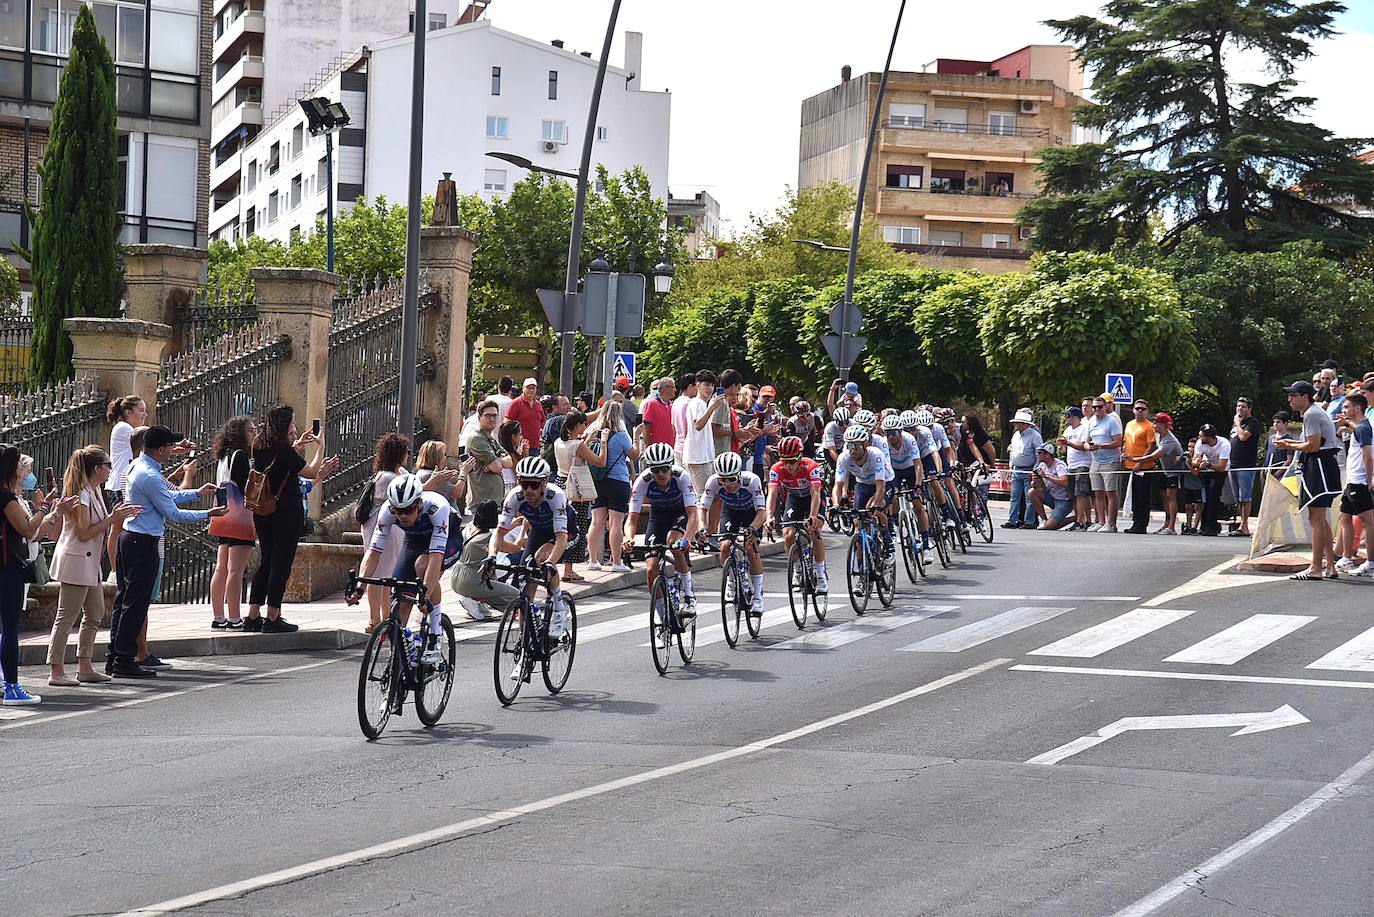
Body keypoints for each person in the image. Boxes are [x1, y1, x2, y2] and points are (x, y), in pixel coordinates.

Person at [108, 427, 225, 677]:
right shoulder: (149, 474)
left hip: (130, 539)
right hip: (142, 542)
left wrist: (197, 493)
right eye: (170, 447)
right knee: (135, 604)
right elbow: (172, 513)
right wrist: (208, 513)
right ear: (160, 450)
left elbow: (165, 496)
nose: (173, 451)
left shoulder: (138, 466)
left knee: (124, 601)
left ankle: (115, 657)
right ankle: (123, 660)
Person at [46, 447, 139, 687]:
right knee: (66, 617)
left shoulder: (94, 490)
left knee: (95, 613)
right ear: (97, 469)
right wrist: (113, 519)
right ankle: (56, 671)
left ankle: (84, 667)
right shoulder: (81, 493)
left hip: (89, 563)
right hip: (77, 561)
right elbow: (85, 532)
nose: (110, 469)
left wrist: (113, 517)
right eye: (108, 465)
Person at [347, 474, 463, 663]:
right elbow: (373, 552)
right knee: (401, 600)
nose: (403, 515)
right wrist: (359, 587)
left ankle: (435, 633)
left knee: (423, 566)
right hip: (415, 540)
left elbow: (435, 558)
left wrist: (426, 593)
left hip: (448, 537)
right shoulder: (387, 511)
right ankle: (398, 662)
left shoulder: (437, 507)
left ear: (418, 504)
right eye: (398, 511)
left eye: (408, 510)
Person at [247, 406, 338, 634]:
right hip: (286, 513)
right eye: (292, 424)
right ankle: (273, 616)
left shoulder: (259, 444)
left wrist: (296, 445)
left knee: (266, 561)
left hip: (263, 511)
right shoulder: (284, 451)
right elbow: (310, 471)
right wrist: (320, 447)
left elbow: (277, 464)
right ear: (284, 426)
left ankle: (253, 615)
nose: (295, 428)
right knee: (281, 564)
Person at [0, 446, 78, 702]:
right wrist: (44, 508)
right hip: (7, 569)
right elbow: (27, 529)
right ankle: (11, 686)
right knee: (10, 630)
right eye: (20, 467)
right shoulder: (5, 498)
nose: (23, 472)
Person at [492, 456, 574, 637]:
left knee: (542, 559)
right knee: (524, 586)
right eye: (524, 483)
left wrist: (551, 563)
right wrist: (491, 556)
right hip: (538, 531)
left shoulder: (556, 496)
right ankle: (525, 640)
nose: (528, 489)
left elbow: (561, 538)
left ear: (544, 483)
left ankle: (559, 608)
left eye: (534, 485)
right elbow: (498, 532)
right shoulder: (515, 496)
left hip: (563, 532)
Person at [1274, 380, 1342, 580]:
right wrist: (1290, 442)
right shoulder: (1314, 413)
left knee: (1316, 518)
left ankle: (1315, 567)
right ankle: (1329, 565)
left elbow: (1312, 447)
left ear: (1305, 396)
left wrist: (1291, 446)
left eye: (1293, 395)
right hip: (1323, 466)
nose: (1289, 399)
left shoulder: (1311, 414)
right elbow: (1313, 442)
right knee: (1321, 518)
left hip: (1319, 467)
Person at [625, 442, 699, 614]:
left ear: (671, 465)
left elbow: (693, 514)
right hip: (658, 517)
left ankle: (688, 596)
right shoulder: (642, 481)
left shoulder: (682, 477)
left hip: (680, 514)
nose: (661, 473)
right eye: (655, 469)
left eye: (664, 468)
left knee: (674, 542)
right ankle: (661, 617)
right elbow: (632, 518)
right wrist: (628, 538)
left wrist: (687, 538)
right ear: (650, 469)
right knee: (651, 570)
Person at [700, 450, 768, 616]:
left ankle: (758, 597)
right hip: (730, 512)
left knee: (751, 547)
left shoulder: (751, 480)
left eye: (731, 479)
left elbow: (762, 513)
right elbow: (701, 509)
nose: (727, 484)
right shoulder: (713, 482)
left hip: (753, 513)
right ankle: (731, 581)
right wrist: (701, 528)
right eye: (723, 479)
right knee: (724, 546)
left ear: (738, 474)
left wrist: (752, 528)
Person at [359, 433, 411, 633]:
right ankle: (374, 620)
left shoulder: (396, 473)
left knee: (386, 574)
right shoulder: (387, 478)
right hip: (379, 528)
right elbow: (409, 494)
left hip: (388, 528)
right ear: (398, 454)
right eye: (406, 451)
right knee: (377, 574)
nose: (408, 454)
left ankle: (387, 617)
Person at [208, 417, 256, 630]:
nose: (254, 434)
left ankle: (218, 616)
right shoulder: (240, 456)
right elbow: (247, 486)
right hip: (239, 516)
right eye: (251, 430)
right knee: (236, 569)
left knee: (221, 568)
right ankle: (235, 618)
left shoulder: (223, 457)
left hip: (223, 513)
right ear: (240, 434)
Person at [765, 435, 828, 593]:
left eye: (792, 461)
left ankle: (821, 576)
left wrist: (813, 515)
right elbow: (772, 494)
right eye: (784, 461)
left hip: (813, 498)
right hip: (794, 499)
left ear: (800, 457)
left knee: (815, 531)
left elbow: (815, 493)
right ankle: (797, 569)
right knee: (788, 535)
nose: (788, 465)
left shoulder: (810, 466)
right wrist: (769, 517)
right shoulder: (776, 469)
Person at [448, 500, 526, 620]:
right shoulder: (488, 539)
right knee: (515, 594)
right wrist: (523, 530)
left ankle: (477, 601)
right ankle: (474, 599)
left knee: (495, 585)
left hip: (456, 576)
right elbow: (515, 548)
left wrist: (513, 525)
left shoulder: (468, 527)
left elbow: (496, 535)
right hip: (472, 581)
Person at [585, 401, 637, 572]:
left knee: (596, 522)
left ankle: (593, 560)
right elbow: (634, 455)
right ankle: (616, 562)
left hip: (597, 481)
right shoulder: (621, 435)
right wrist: (636, 436)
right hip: (617, 481)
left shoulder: (594, 432)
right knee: (616, 523)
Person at [832, 424, 895, 562]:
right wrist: (835, 505)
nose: (852, 451)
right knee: (857, 523)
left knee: (873, 510)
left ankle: (888, 543)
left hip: (885, 483)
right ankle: (861, 572)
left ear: (865, 445)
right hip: (863, 485)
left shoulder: (875, 455)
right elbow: (838, 485)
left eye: (857, 446)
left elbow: (880, 485)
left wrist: (876, 504)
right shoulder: (844, 458)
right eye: (849, 446)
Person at [104, 395, 146, 577]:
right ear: (128, 412)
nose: (144, 414)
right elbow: (148, 442)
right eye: (141, 410)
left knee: (123, 526)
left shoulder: (128, 429)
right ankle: (114, 570)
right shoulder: (123, 428)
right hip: (118, 485)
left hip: (123, 483)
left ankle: (121, 567)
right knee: (118, 526)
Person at [1335, 392, 1374, 576]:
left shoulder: (1362, 428)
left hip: (1359, 481)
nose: (1344, 411)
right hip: (1353, 481)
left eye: (1346, 407)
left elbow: (1368, 457)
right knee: (1344, 517)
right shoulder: (1359, 427)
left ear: (1357, 408)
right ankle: (1346, 558)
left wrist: (1368, 481)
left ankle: (1371, 562)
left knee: (1368, 522)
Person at [1085, 395, 1124, 532]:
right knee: (1098, 493)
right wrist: (1088, 446)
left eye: (1099, 407)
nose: (1096, 409)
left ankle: (1111, 523)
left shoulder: (1112, 421)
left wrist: (1101, 445)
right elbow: (1087, 440)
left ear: (1105, 407)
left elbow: (1118, 442)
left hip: (1110, 461)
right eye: (1094, 407)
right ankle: (1100, 521)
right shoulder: (1090, 422)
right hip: (1095, 461)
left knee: (1111, 492)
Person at [1228, 396, 1264, 537]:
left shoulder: (1252, 423)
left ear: (1249, 409)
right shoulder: (1236, 424)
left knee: (1245, 497)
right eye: (1238, 406)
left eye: (1243, 407)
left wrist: (1237, 423)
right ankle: (1241, 525)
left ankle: (1245, 526)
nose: (1239, 409)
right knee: (1238, 498)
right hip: (1233, 464)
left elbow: (1243, 437)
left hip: (1246, 465)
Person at [684, 370, 723, 498]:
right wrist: (712, 408)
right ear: (698, 385)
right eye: (707, 384)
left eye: (712, 385)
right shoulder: (697, 403)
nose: (710, 388)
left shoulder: (702, 404)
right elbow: (698, 425)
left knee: (705, 496)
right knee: (703, 497)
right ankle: (702, 519)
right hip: (698, 458)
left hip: (702, 457)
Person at [465, 399, 510, 509]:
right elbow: (497, 468)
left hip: (494, 501)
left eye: (495, 415)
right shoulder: (476, 438)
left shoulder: (491, 437)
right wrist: (497, 462)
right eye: (488, 415)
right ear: (479, 418)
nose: (492, 419)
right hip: (481, 503)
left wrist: (496, 461)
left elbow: (509, 461)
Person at [1121, 399, 1158, 534]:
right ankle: (1135, 523)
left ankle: (1141, 525)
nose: (1140, 411)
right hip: (1129, 466)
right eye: (1137, 408)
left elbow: (1151, 447)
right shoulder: (1129, 424)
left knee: (1143, 497)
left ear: (1147, 411)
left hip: (1144, 467)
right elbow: (1126, 443)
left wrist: (1139, 462)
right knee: (1134, 496)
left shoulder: (1148, 426)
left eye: (1143, 409)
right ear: (1133, 410)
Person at [1144, 412, 1184, 534]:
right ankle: (1166, 523)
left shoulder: (1170, 440)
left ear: (1163, 425)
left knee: (1171, 496)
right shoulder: (1157, 435)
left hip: (1175, 471)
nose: (1153, 425)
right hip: (1165, 470)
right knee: (1164, 495)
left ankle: (1171, 527)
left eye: (1156, 423)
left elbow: (1153, 457)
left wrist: (1134, 460)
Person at [1190, 424, 1231, 537]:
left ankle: (1211, 525)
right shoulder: (1200, 443)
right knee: (1206, 496)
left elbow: (1222, 466)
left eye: (1201, 436)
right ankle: (1205, 524)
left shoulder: (1224, 444)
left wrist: (1208, 464)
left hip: (1220, 470)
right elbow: (1194, 459)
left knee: (1213, 494)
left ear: (1209, 437)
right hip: (1208, 469)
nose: (1199, 438)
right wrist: (1197, 462)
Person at [1057, 407, 1093, 532]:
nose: (1066, 419)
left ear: (1075, 417)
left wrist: (1068, 443)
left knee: (1081, 493)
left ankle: (1080, 522)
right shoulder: (1067, 430)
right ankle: (1081, 520)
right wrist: (1061, 446)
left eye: (1068, 416)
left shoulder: (1083, 429)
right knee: (1073, 494)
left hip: (1082, 464)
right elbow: (1063, 450)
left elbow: (1084, 446)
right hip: (1071, 465)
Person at [1003, 408, 1041, 529]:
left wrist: (1034, 470)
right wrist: (1011, 467)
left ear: (1024, 424)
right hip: (1017, 468)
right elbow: (1013, 452)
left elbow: (1039, 455)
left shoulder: (1035, 436)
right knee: (1014, 497)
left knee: (1028, 497)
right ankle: (1012, 520)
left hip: (1028, 469)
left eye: (1017, 422)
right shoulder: (1016, 436)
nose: (1015, 425)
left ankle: (1029, 521)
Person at [1028, 443, 1074, 530]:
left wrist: (1046, 477)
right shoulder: (1042, 465)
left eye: (1040, 453)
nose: (1037, 455)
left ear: (1048, 455)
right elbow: (1036, 487)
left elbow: (1065, 482)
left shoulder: (1059, 465)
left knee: (1050, 526)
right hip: (1051, 496)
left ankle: (1074, 518)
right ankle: (1044, 519)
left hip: (1063, 501)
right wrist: (1035, 480)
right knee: (1031, 492)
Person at [505, 377, 546, 451]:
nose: (531, 390)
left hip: (535, 446)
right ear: (523, 388)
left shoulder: (538, 405)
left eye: (533, 388)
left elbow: (543, 422)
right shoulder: (516, 403)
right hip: (520, 447)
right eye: (528, 388)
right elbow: (507, 422)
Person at [639, 376, 676, 451]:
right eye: (673, 387)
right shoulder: (651, 404)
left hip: (669, 450)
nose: (675, 390)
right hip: (656, 451)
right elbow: (646, 429)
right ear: (665, 388)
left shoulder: (671, 405)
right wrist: (650, 449)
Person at [671, 372, 697, 465]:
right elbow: (688, 428)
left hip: (677, 446)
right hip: (688, 449)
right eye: (697, 386)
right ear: (690, 386)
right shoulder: (690, 403)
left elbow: (673, 426)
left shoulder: (676, 402)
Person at [1181, 438, 1203, 535]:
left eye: (1193, 447)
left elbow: (1195, 472)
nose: (1191, 449)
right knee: (1188, 506)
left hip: (1198, 485)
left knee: (1197, 507)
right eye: (1189, 446)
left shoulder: (1199, 457)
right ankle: (1188, 525)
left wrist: (1188, 465)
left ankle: (1195, 527)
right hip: (1187, 484)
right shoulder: (1185, 455)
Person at [497, 419, 526, 492]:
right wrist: (524, 455)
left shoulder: (502, 452)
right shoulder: (510, 455)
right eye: (520, 434)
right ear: (513, 436)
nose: (521, 437)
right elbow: (520, 473)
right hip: (509, 487)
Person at [1264, 412, 1296, 478]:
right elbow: (1266, 456)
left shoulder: (1288, 440)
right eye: (1274, 422)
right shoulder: (1270, 438)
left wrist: (1277, 473)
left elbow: (1289, 459)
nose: (1275, 424)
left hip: (1280, 475)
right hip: (1267, 473)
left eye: (1278, 422)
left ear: (1285, 423)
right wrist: (1262, 471)